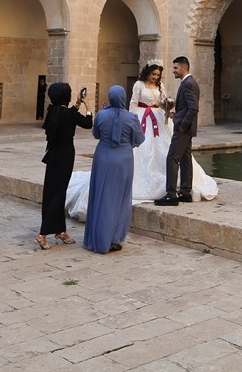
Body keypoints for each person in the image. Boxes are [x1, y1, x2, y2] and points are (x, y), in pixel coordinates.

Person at [63, 60, 217, 219]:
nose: (156, 77)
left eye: (158, 75)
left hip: (159, 118)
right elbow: (133, 103)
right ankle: (175, 190)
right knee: (147, 150)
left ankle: (178, 189)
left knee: (171, 153)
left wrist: (166, 106)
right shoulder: (138, 85)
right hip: (142, 116)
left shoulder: (161, 85)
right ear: (148, 72)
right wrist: (131, 121)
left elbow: (166, 102)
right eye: (153, 74)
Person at [83, 85, 144, 253]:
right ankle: (115, 238)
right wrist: (126, 143)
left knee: (101, 196)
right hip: (123, 159)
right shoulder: (131, 118)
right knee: (121, 199)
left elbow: (96, 134)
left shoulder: (101, 115)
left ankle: (98, 237)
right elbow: (139, 139)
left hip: (102, 157)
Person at [35, 83, 91, 250]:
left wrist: (77, 104)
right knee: (59, 194)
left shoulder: (52, 111)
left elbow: (67, 114)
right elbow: (88, 123)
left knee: (52, 192)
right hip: (65, 155)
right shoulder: (66, 114)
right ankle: (43, 234)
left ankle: (60, 230)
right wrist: (87, 106)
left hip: (52, 155)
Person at [155, 56, 199, 207]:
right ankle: (186, 192)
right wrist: (177, 114)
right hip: (185, 127)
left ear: (184, 68)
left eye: (175, 68)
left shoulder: (187, 84)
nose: (173, 70)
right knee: (186, 159)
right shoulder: (188, 82)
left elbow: (194, 108)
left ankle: (171, 194)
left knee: (172, 158)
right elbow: (187, 107)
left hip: (183, 129)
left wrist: (182, 124)